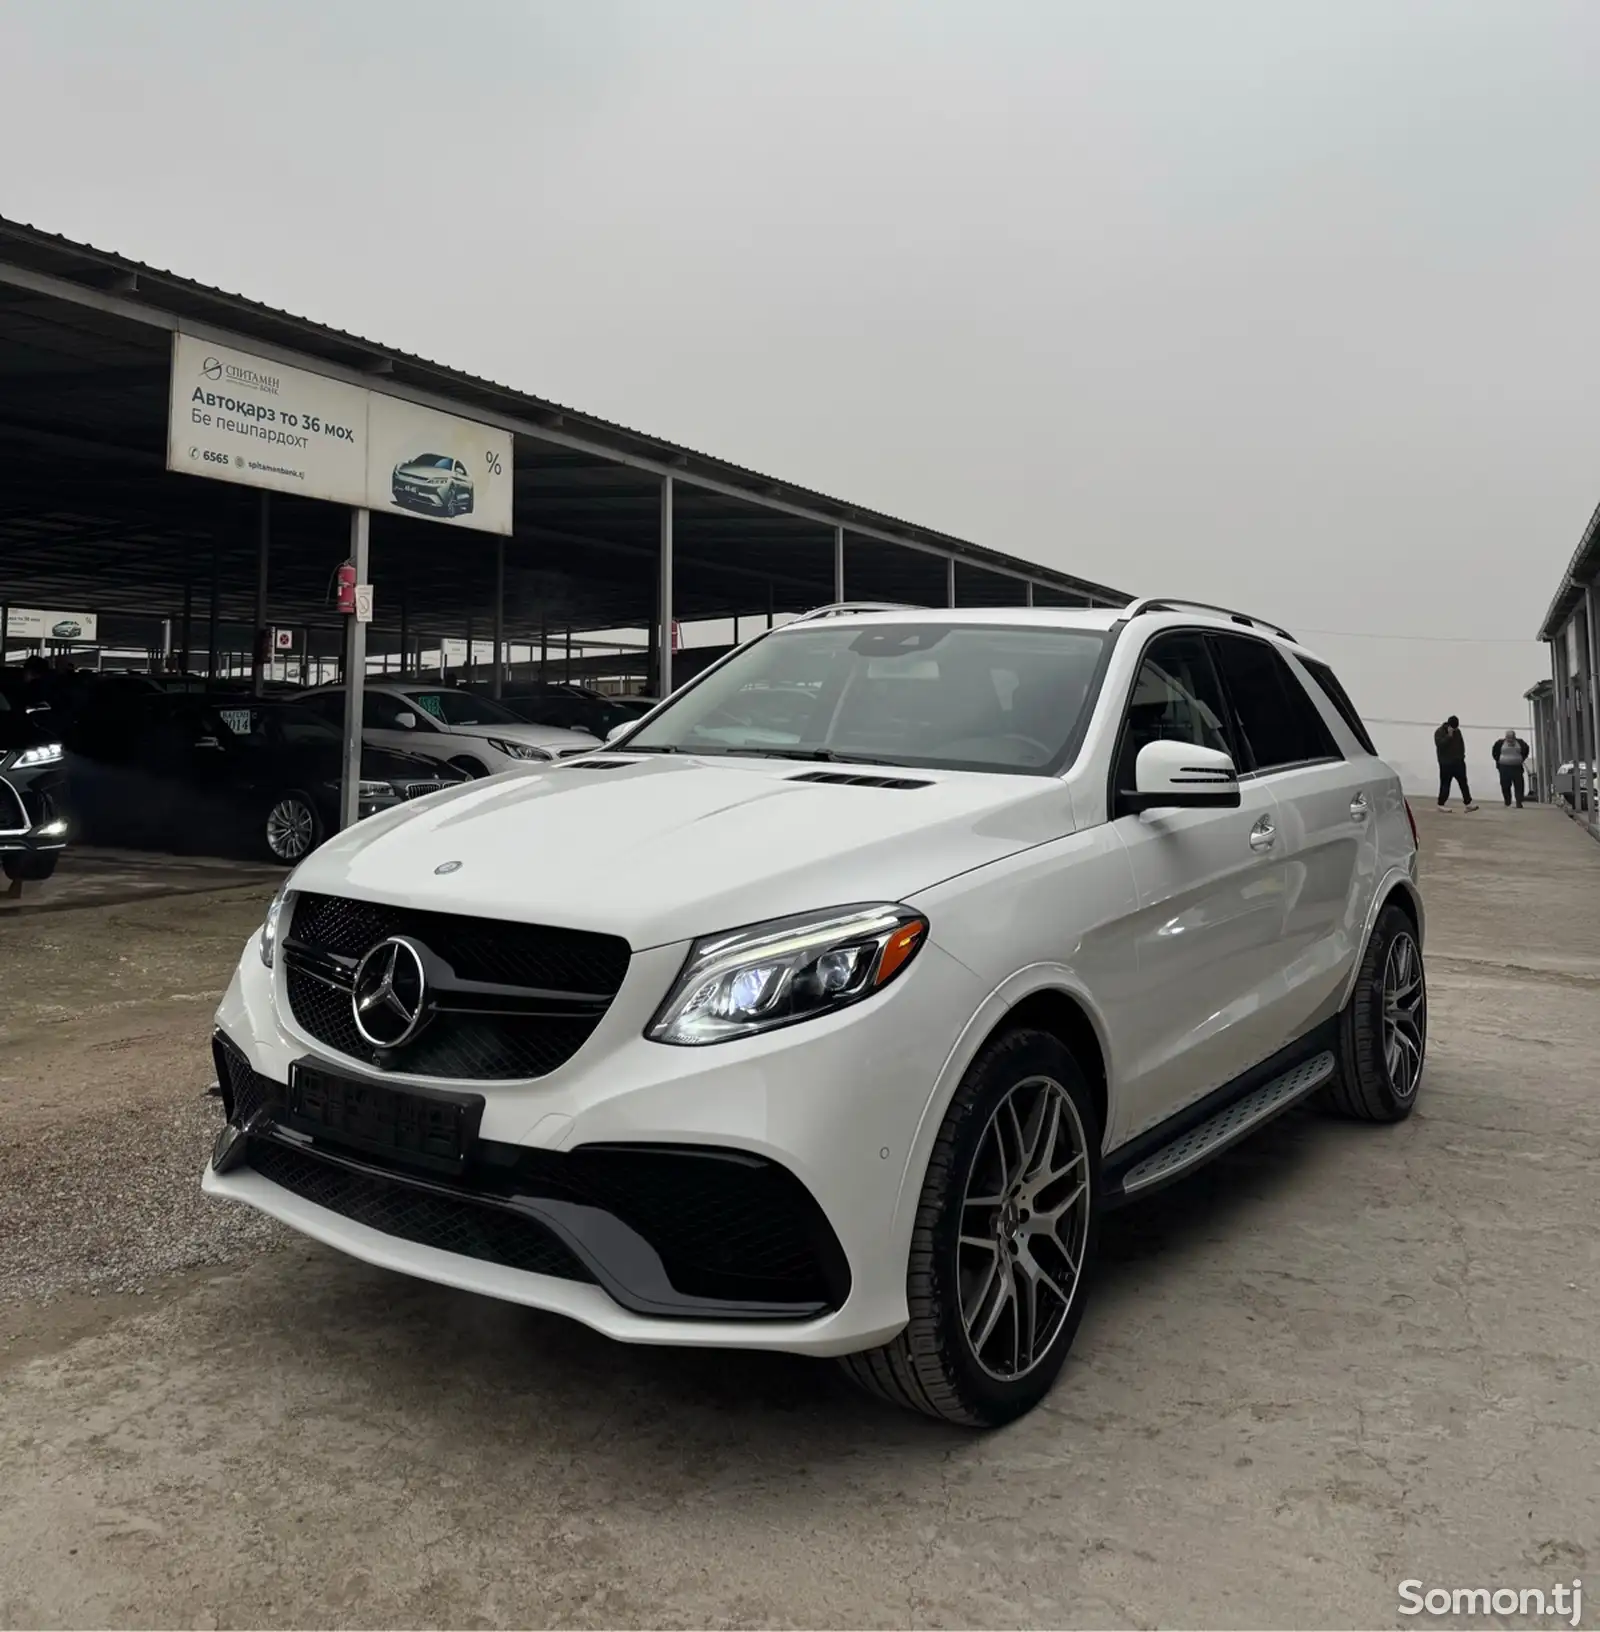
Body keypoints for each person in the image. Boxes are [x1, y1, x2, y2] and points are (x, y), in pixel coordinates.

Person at [1434, 715, 1477, 810]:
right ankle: (1441, 804)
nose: (1455, 729)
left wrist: (1462, 756)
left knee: (1463, 783)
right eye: (1453, 727)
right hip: (1446, 764)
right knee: (1445, 784)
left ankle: (1468, 803)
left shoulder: (1458, 732)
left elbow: (1461, 744)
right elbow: (1440, 745)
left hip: (1458, 762)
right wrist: (1449, 736)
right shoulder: (1439, 732)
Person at [1492, 726, 1530, 808]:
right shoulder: (1500, 743)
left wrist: (1521, 759)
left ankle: (1519, 801)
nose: (1510, 739)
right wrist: (1499, 760)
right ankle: (1507, 801)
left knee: (1519, 785)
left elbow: (1526, 750)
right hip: (1504, 767)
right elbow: (1495, 752)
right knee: (1505, 785)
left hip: (1516, 767)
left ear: (1514, 737)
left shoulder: (1520, 743)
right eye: (1508, 737)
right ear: (1505, 737)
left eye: (1511, 737)